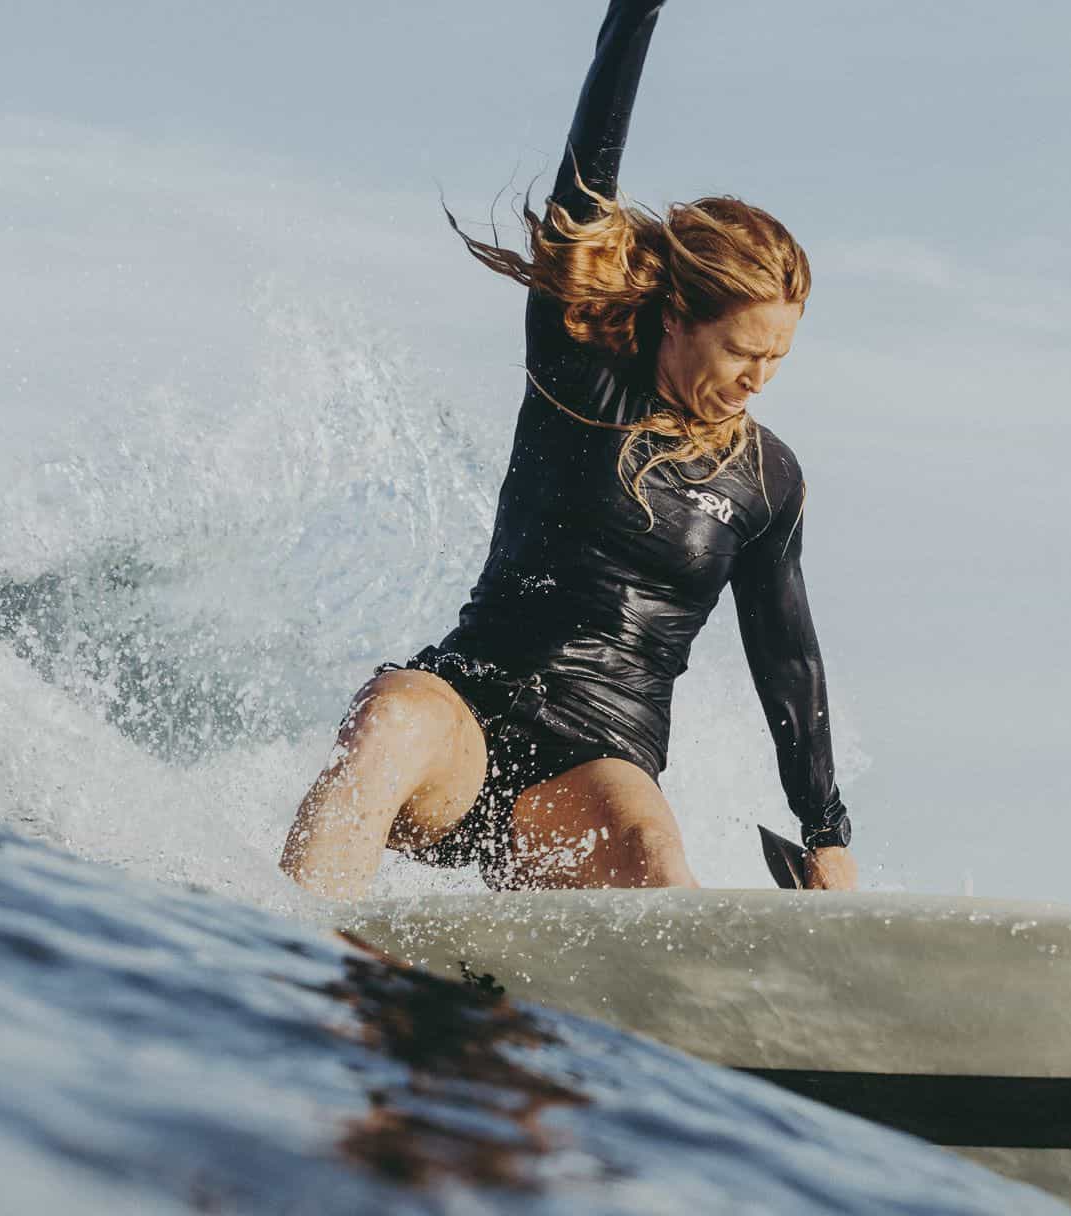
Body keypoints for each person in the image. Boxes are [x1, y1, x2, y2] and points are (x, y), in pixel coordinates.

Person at [278, 0, 856, 898]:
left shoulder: (766, 480)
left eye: (778, 357)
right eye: (744, 351)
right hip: (468, 711)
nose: (759, 378)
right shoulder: (579, 365)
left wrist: (827, 834)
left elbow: (787, 657)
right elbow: (587, 179)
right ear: (677, 319)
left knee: (659, 868)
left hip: (594, 762)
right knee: (388, 717)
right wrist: (637, 13)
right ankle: (285, 959)